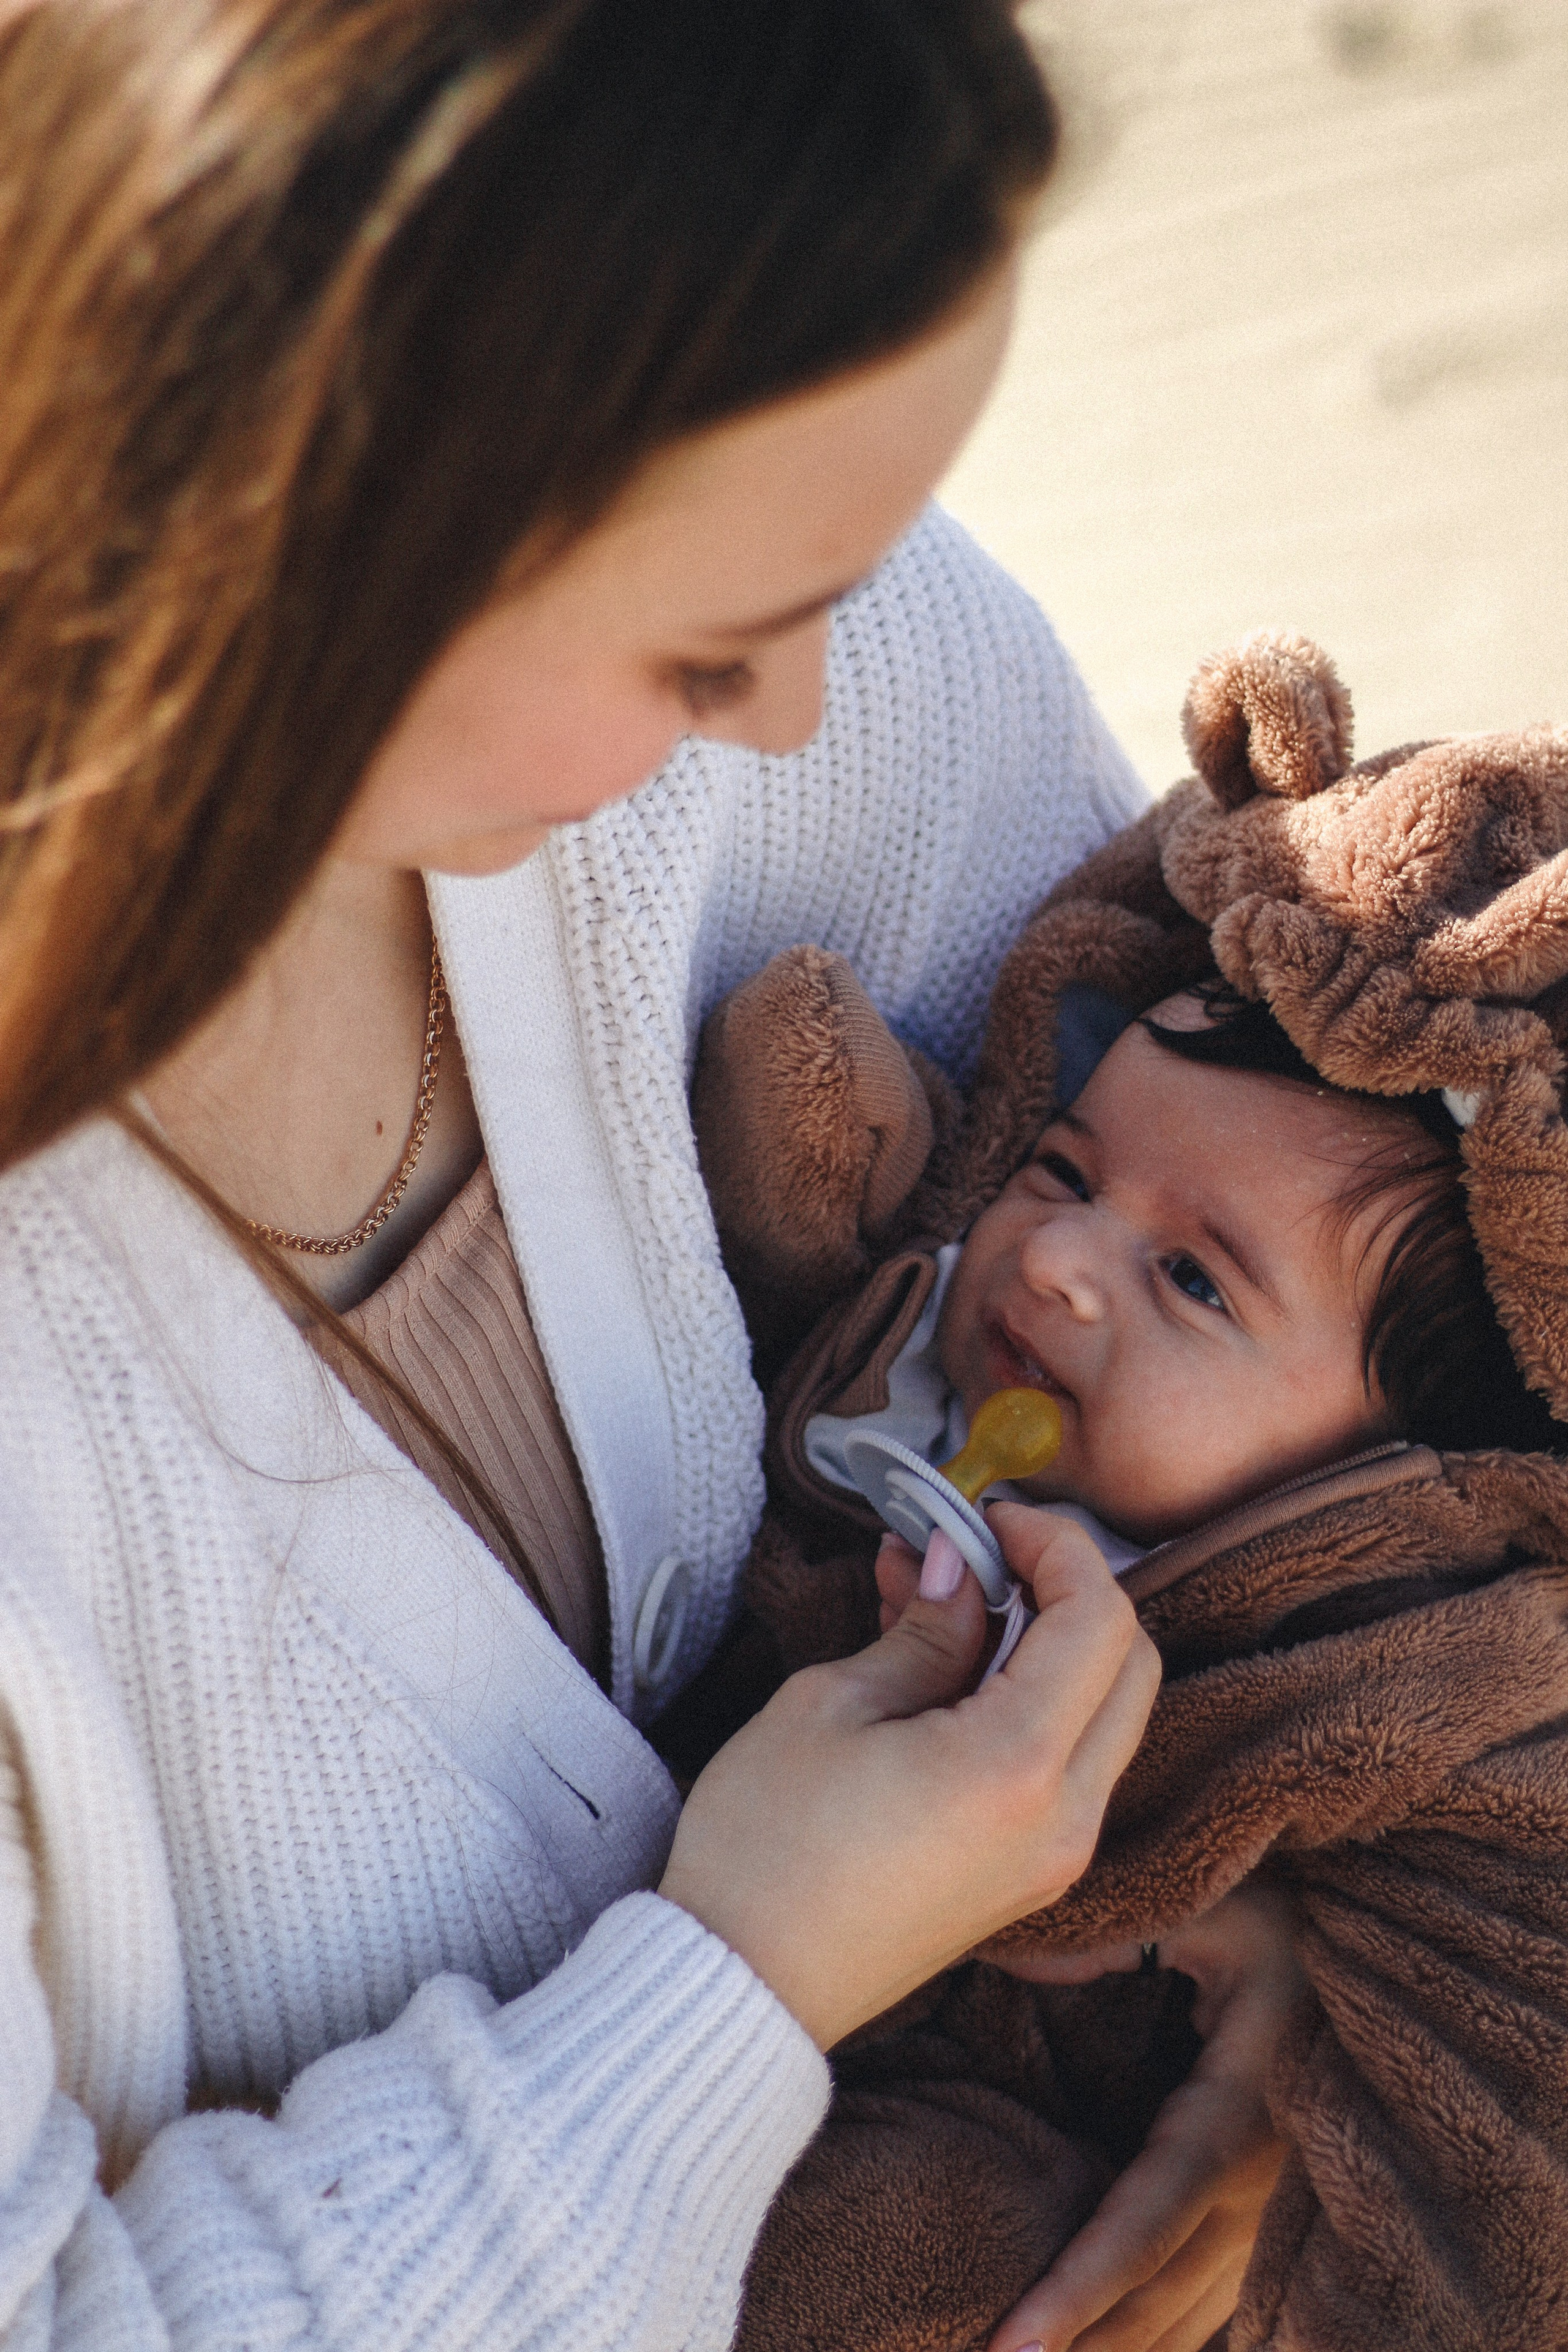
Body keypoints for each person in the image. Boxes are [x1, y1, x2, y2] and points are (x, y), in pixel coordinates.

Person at [0, 7, 1287, 2348]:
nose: (803, 708)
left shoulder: (811, 645)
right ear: (309, 503)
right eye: (707, 645)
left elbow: (1303, 1235)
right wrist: (738, 1987)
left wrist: (1312, 1902)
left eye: (858, 565)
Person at [687, 630, 1568, 2352]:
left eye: (1197, 1283)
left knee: (964, 2253)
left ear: (1407, 1471)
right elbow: (838, 1212)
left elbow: (1512, 2098)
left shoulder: (1435, 1689)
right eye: (1068, 1165)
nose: (1063, 1264)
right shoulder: (937, 1348)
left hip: (1031, 2144)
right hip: (735, 1966)